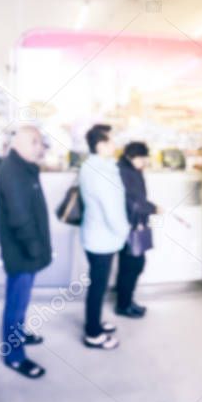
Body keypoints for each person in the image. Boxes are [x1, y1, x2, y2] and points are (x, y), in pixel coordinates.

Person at [0, 126, 52, 379]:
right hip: (21, 251)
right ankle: (14, 355)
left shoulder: (23, 168)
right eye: (34, 142)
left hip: (27, 249)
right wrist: (35, 247)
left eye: (40, 142)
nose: (39, 147)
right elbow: (19, 217)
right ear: (17, 143)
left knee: (22, 299)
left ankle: (18, 334)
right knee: (16, 304)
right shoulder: (13, 172)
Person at [79, 124, 130, 350]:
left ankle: (95, 322)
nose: (114, 145)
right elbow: (111, 209)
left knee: (98, 284)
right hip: (102, 238)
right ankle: (93, 333)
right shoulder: (100, 172)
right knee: (98, 286)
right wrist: (125, 231)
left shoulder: (98, 166)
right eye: (110, 141)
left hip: (99, 236)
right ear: (100, 145)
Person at [114, 141, 160, 319]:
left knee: (131, 265)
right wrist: (152, 208)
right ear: (130, 157)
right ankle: (123, 305)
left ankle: (126, 301)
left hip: (133, 223)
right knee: (132, 265)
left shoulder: (131, 170)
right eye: (142, 159)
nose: (144, 162)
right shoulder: (126, 172)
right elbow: (133, 202)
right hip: (129, 225)